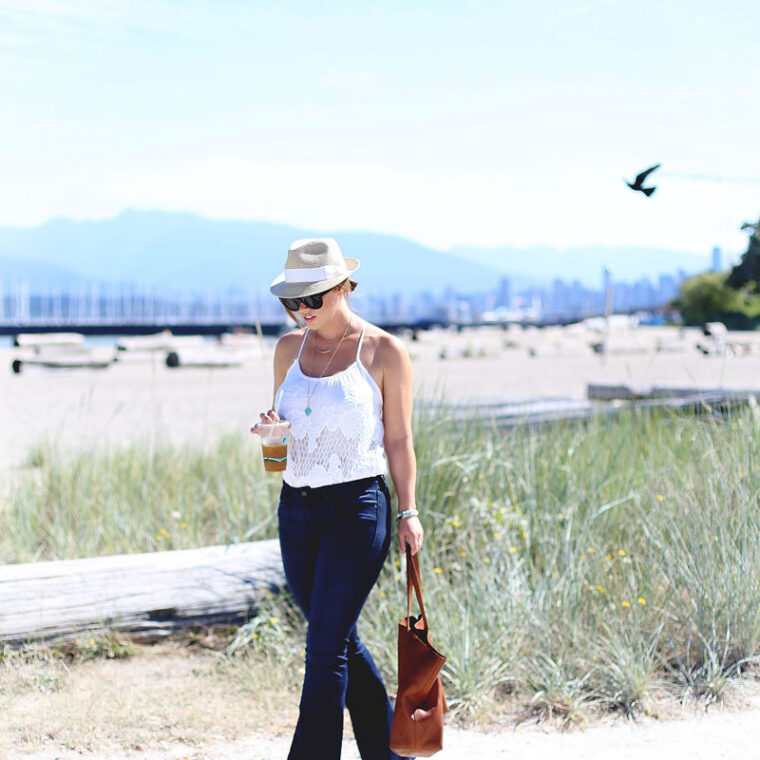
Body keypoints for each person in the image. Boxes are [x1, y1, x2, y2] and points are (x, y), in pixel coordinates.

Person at [251, 238, 423, 760]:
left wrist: (409, 510)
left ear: (344, 286)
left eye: (313, 299)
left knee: (323, 651)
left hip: (358, 511)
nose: (303, 311)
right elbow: (280, 451)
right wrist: (270, 440)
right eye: (293, 303)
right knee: (337, 640)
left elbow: (399, 439)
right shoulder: (287, 349)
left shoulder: (384, 351)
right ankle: (386, 753)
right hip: (296, 511)